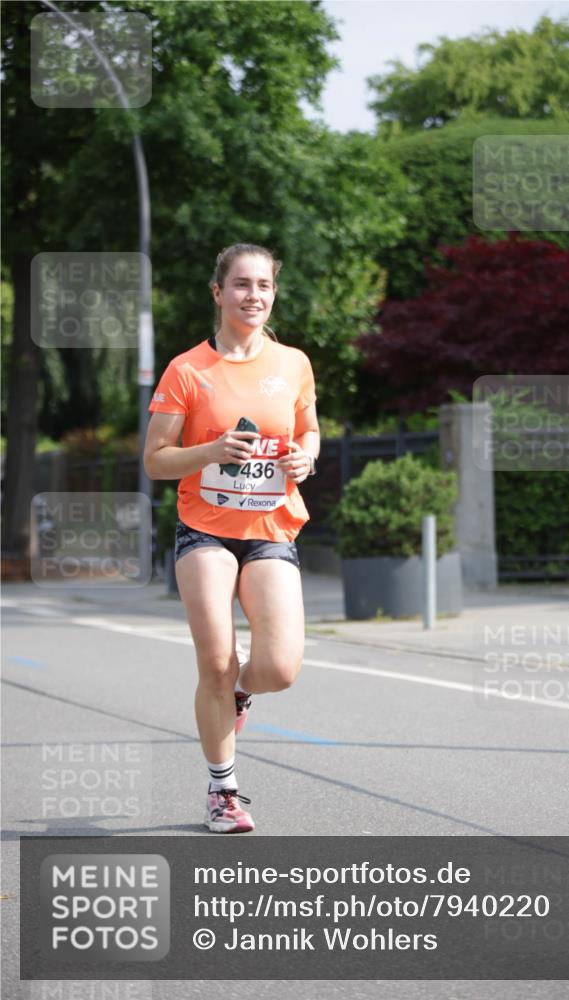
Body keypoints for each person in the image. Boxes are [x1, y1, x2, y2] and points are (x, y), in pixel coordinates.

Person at [143, 244, 319, 833]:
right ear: (218, 293)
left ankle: (242, 692)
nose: (254, 296)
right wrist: (212, 451)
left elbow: (310, 431)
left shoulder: (293, 363)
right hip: (204, 531)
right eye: (241, 285)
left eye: (264, 285)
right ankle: (224, 792)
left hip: (270, 529)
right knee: (215, 661)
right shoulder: (187, 370)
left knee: (280, 667)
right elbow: (155, 461)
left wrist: (306, 460)